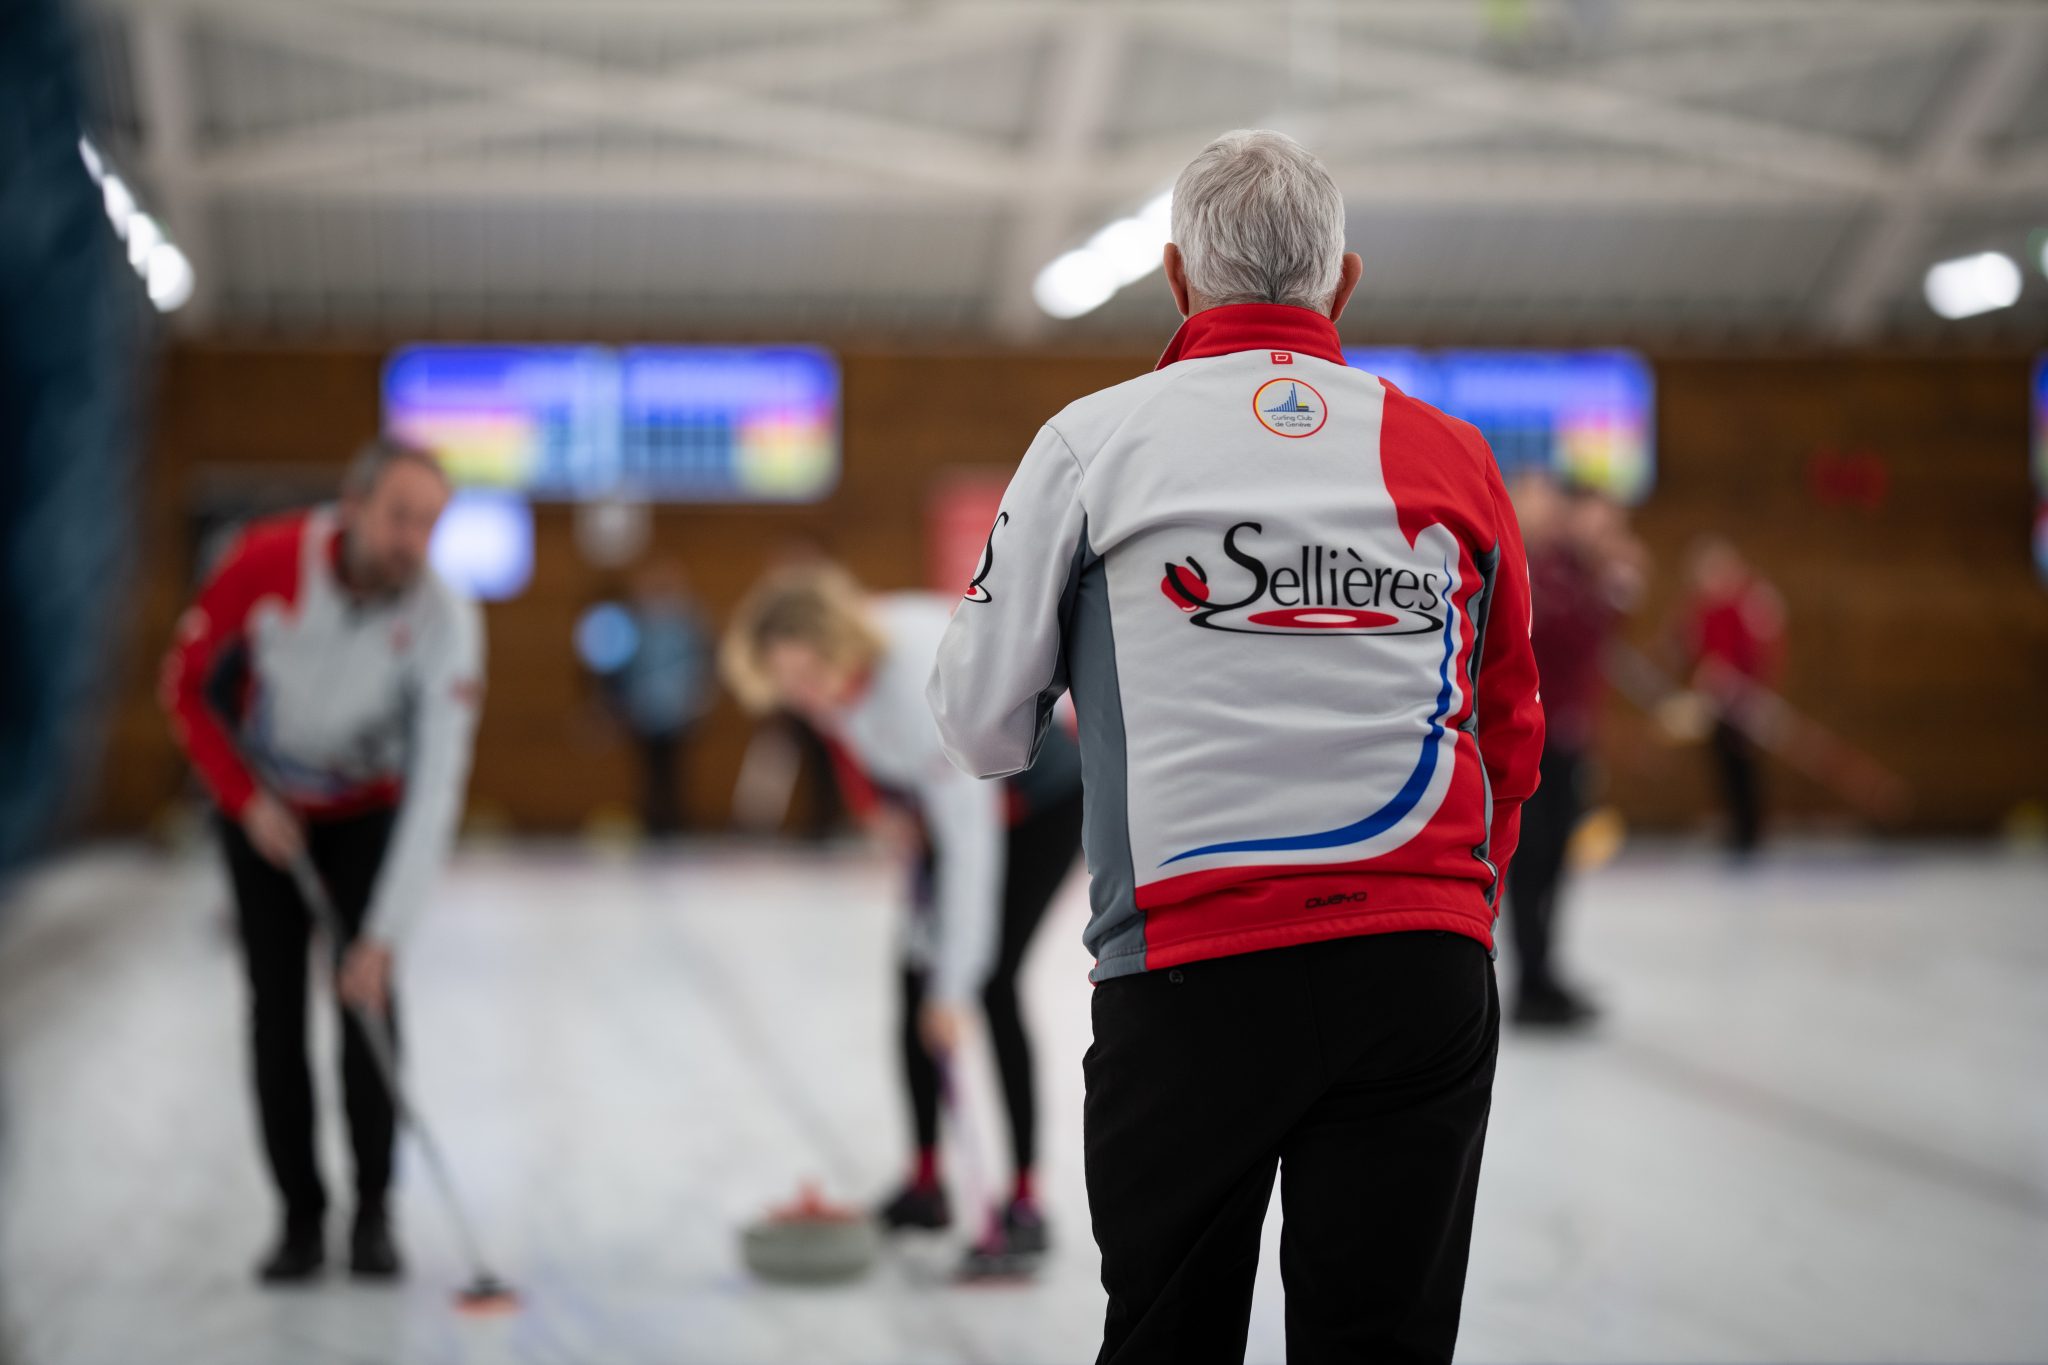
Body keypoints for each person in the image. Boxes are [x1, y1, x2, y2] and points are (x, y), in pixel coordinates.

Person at [928, 130, 1543, 1362]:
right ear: (1342, 283)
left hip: (1191, 970)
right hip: (1419, 968)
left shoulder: (1090, 442)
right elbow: (1508, 730)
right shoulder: (1455, 458)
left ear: (1172, 280)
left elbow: (980, 729)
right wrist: (1444, 909)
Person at [160, 439, 483, 1284]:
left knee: (368, 1004)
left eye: (431, 524)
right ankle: (300, 1217)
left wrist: (384, 934)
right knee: (276, 1006)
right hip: (265, 805)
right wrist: (242, 797)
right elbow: (186, 686)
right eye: (400, 517)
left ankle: (374, 1213)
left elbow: (439, 783)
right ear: (354, 505)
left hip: (364, 811)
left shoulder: (444, 620)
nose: (414, 540)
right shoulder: (262, 562)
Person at [722, 563, 1084, 1276]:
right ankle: (925, 1182)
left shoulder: (919, 680)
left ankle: (1024, 1200)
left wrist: (954, 987)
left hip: (1038, 806)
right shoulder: (827, 677)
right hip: (946, 808)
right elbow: (850, 737)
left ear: (837, 644)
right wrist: (882, 808)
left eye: (808, 673)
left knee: (987, 982)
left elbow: (972, 844)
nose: (803, 694)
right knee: (911, 984)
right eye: (786, 680)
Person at [1504, 475, 1644, 1028]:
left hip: (1567, 739)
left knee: (1557, 861)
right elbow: (1559, 637)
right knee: (1531, 860)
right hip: (1534, 740)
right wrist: (1611, 587)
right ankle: (1530, 979)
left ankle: (1544, 971)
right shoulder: (1543, 569)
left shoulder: (1578, 571)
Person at [1680, 537, 1784, 857]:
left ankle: (1751, 832)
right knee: (1724, 764)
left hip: (1744, 698)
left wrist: (1745, 683)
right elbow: (1694, 646)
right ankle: (1737, 827)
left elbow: (1761, 650)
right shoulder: (1704, 607)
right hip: (1717, 701)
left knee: (1744, 765)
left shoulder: (1751, 601)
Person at [604, 561, 712, 837]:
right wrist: (616, 703)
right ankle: (652, 823)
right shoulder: (633, 620)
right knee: (648, 769)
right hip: (643, 708)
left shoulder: (689, 620)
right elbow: (618, 667)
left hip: (679, 708)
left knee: (675, 769)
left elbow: (703, 661)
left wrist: (699, 697)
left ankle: (676, 823)